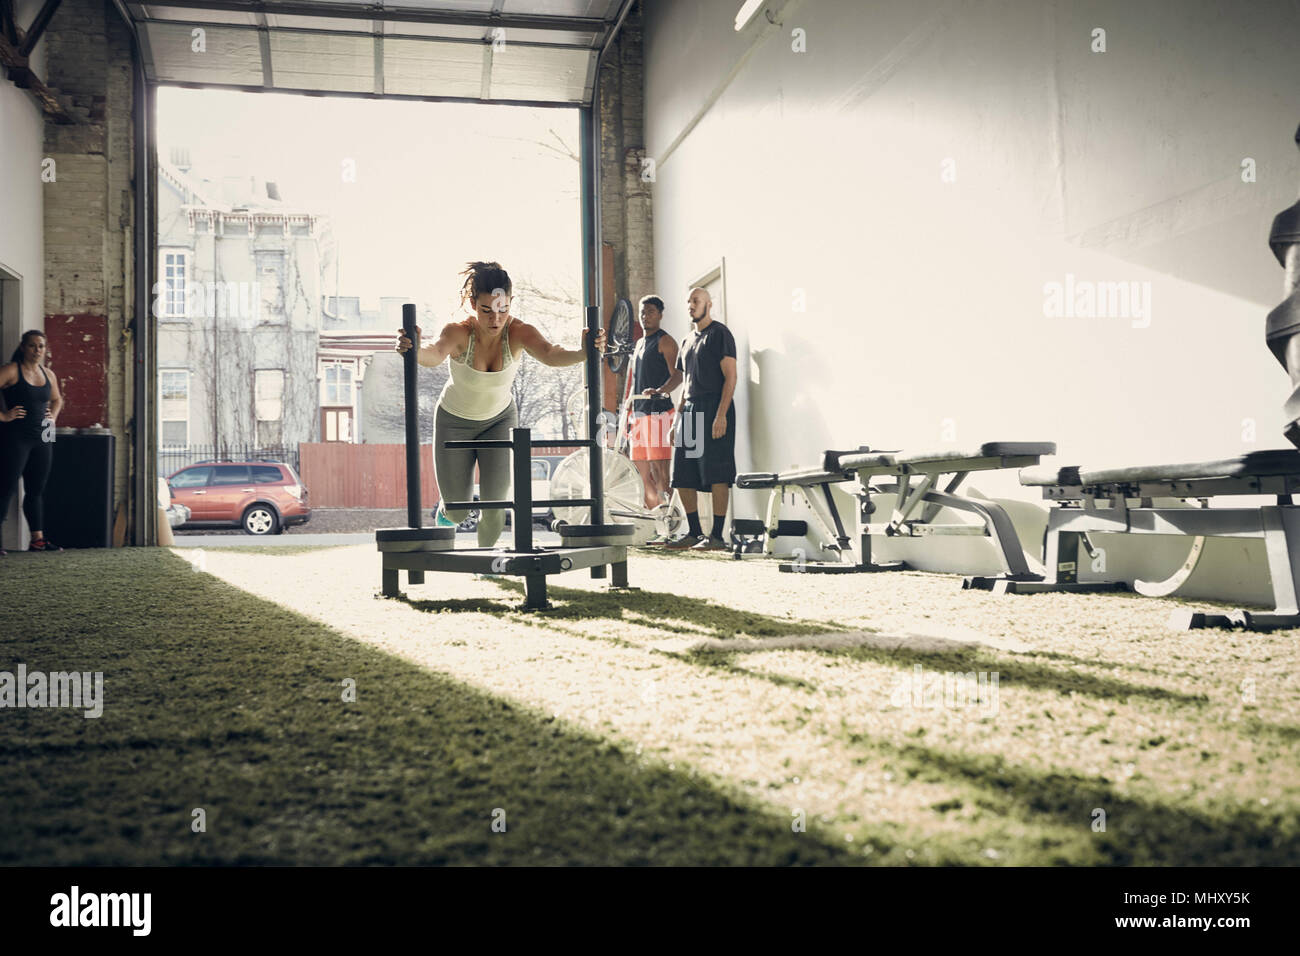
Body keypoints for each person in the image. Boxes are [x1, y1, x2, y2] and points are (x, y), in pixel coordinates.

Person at [395, 261, 604, 548]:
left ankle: (488, 564)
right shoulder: (458, 332)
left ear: (510, 303)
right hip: (454, 421)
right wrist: (415, 349)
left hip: (499, 420)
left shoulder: (519, 332)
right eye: (486, 311)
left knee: (495, 505)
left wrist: (583, 352)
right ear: (472, 304)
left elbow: (551, 353)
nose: (495, 319)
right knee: (458, 511)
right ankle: (448, 512)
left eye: (502, 310)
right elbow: (434, 354)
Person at [653, 287, 737, 551]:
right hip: (689, 408)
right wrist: (677, 420)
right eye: (689, 301)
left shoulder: (720, 334)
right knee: (683, 474)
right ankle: (694, 533)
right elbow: (686, 382)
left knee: (717, 473)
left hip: (714, 407)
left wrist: (721, 414)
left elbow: (731, 377)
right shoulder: (688, 340)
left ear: (708, 305)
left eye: (696, 301)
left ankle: (717, 537)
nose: (691, 305)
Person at [0, 330, 65, 555]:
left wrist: (53, 417)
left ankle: (37, 540)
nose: (37, 350)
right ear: (22, 347)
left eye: (41, 346)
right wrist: (3, 416)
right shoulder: (11, 370)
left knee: (36, 489)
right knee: (5, 488)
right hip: (17, 435)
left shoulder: (49, 374)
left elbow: (57, 399)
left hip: (45, 434)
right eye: (32, 346)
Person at [621, 295, 678, 513]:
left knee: (660, 470)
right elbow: (634, 379)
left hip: (659, 414)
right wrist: (627, 405)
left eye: (651, 312)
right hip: (639, 414)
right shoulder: (639, 344)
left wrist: (660, 391)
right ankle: (655, 521)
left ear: (660, 315)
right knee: (641, 472)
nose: (646, 316)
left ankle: (669, 519)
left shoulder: (666, 341)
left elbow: (678, 376)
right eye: (643, 312)